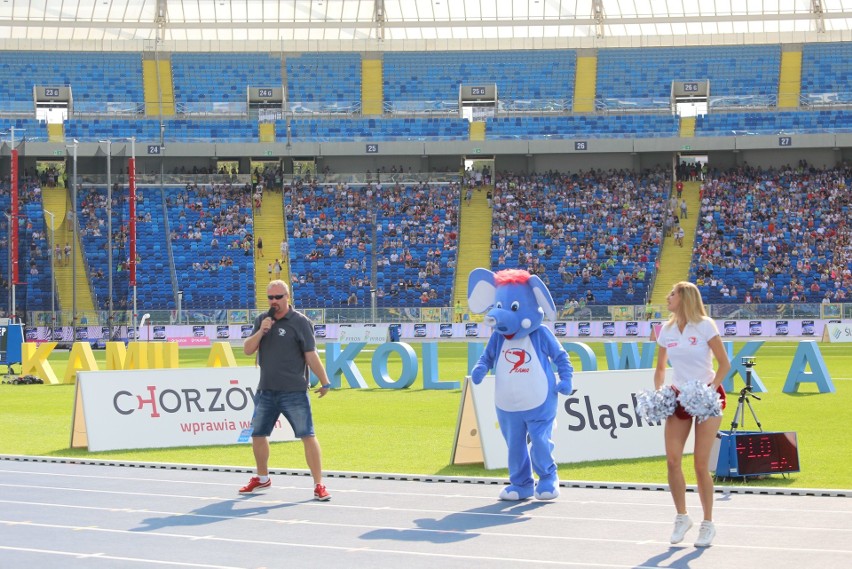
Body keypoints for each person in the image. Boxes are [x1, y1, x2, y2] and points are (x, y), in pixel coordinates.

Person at [240, 280, 333, 501]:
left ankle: (319, 484)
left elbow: (311, 354)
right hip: (266, 390)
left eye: (278, 297)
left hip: (294, 390)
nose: (274, 302)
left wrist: (324, 381)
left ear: (288, 297)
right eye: (270, 298)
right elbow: (247, 349)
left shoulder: (301, 322)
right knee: (258, 435)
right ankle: (262, 478)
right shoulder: (262, 320)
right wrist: (262, 332)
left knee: (307, 435)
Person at [654, 281, 731, 548]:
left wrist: (708, 391)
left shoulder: (705, 325)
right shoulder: (666, 329)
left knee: (700, 464)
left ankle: (708, 523)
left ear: (685, 297)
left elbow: (724, 364)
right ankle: (681, 517)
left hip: (707, 397)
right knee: (673, 461)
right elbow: (661, 368)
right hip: (678, 397)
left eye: (672, 293)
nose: (668, 296)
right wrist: (660, 394)